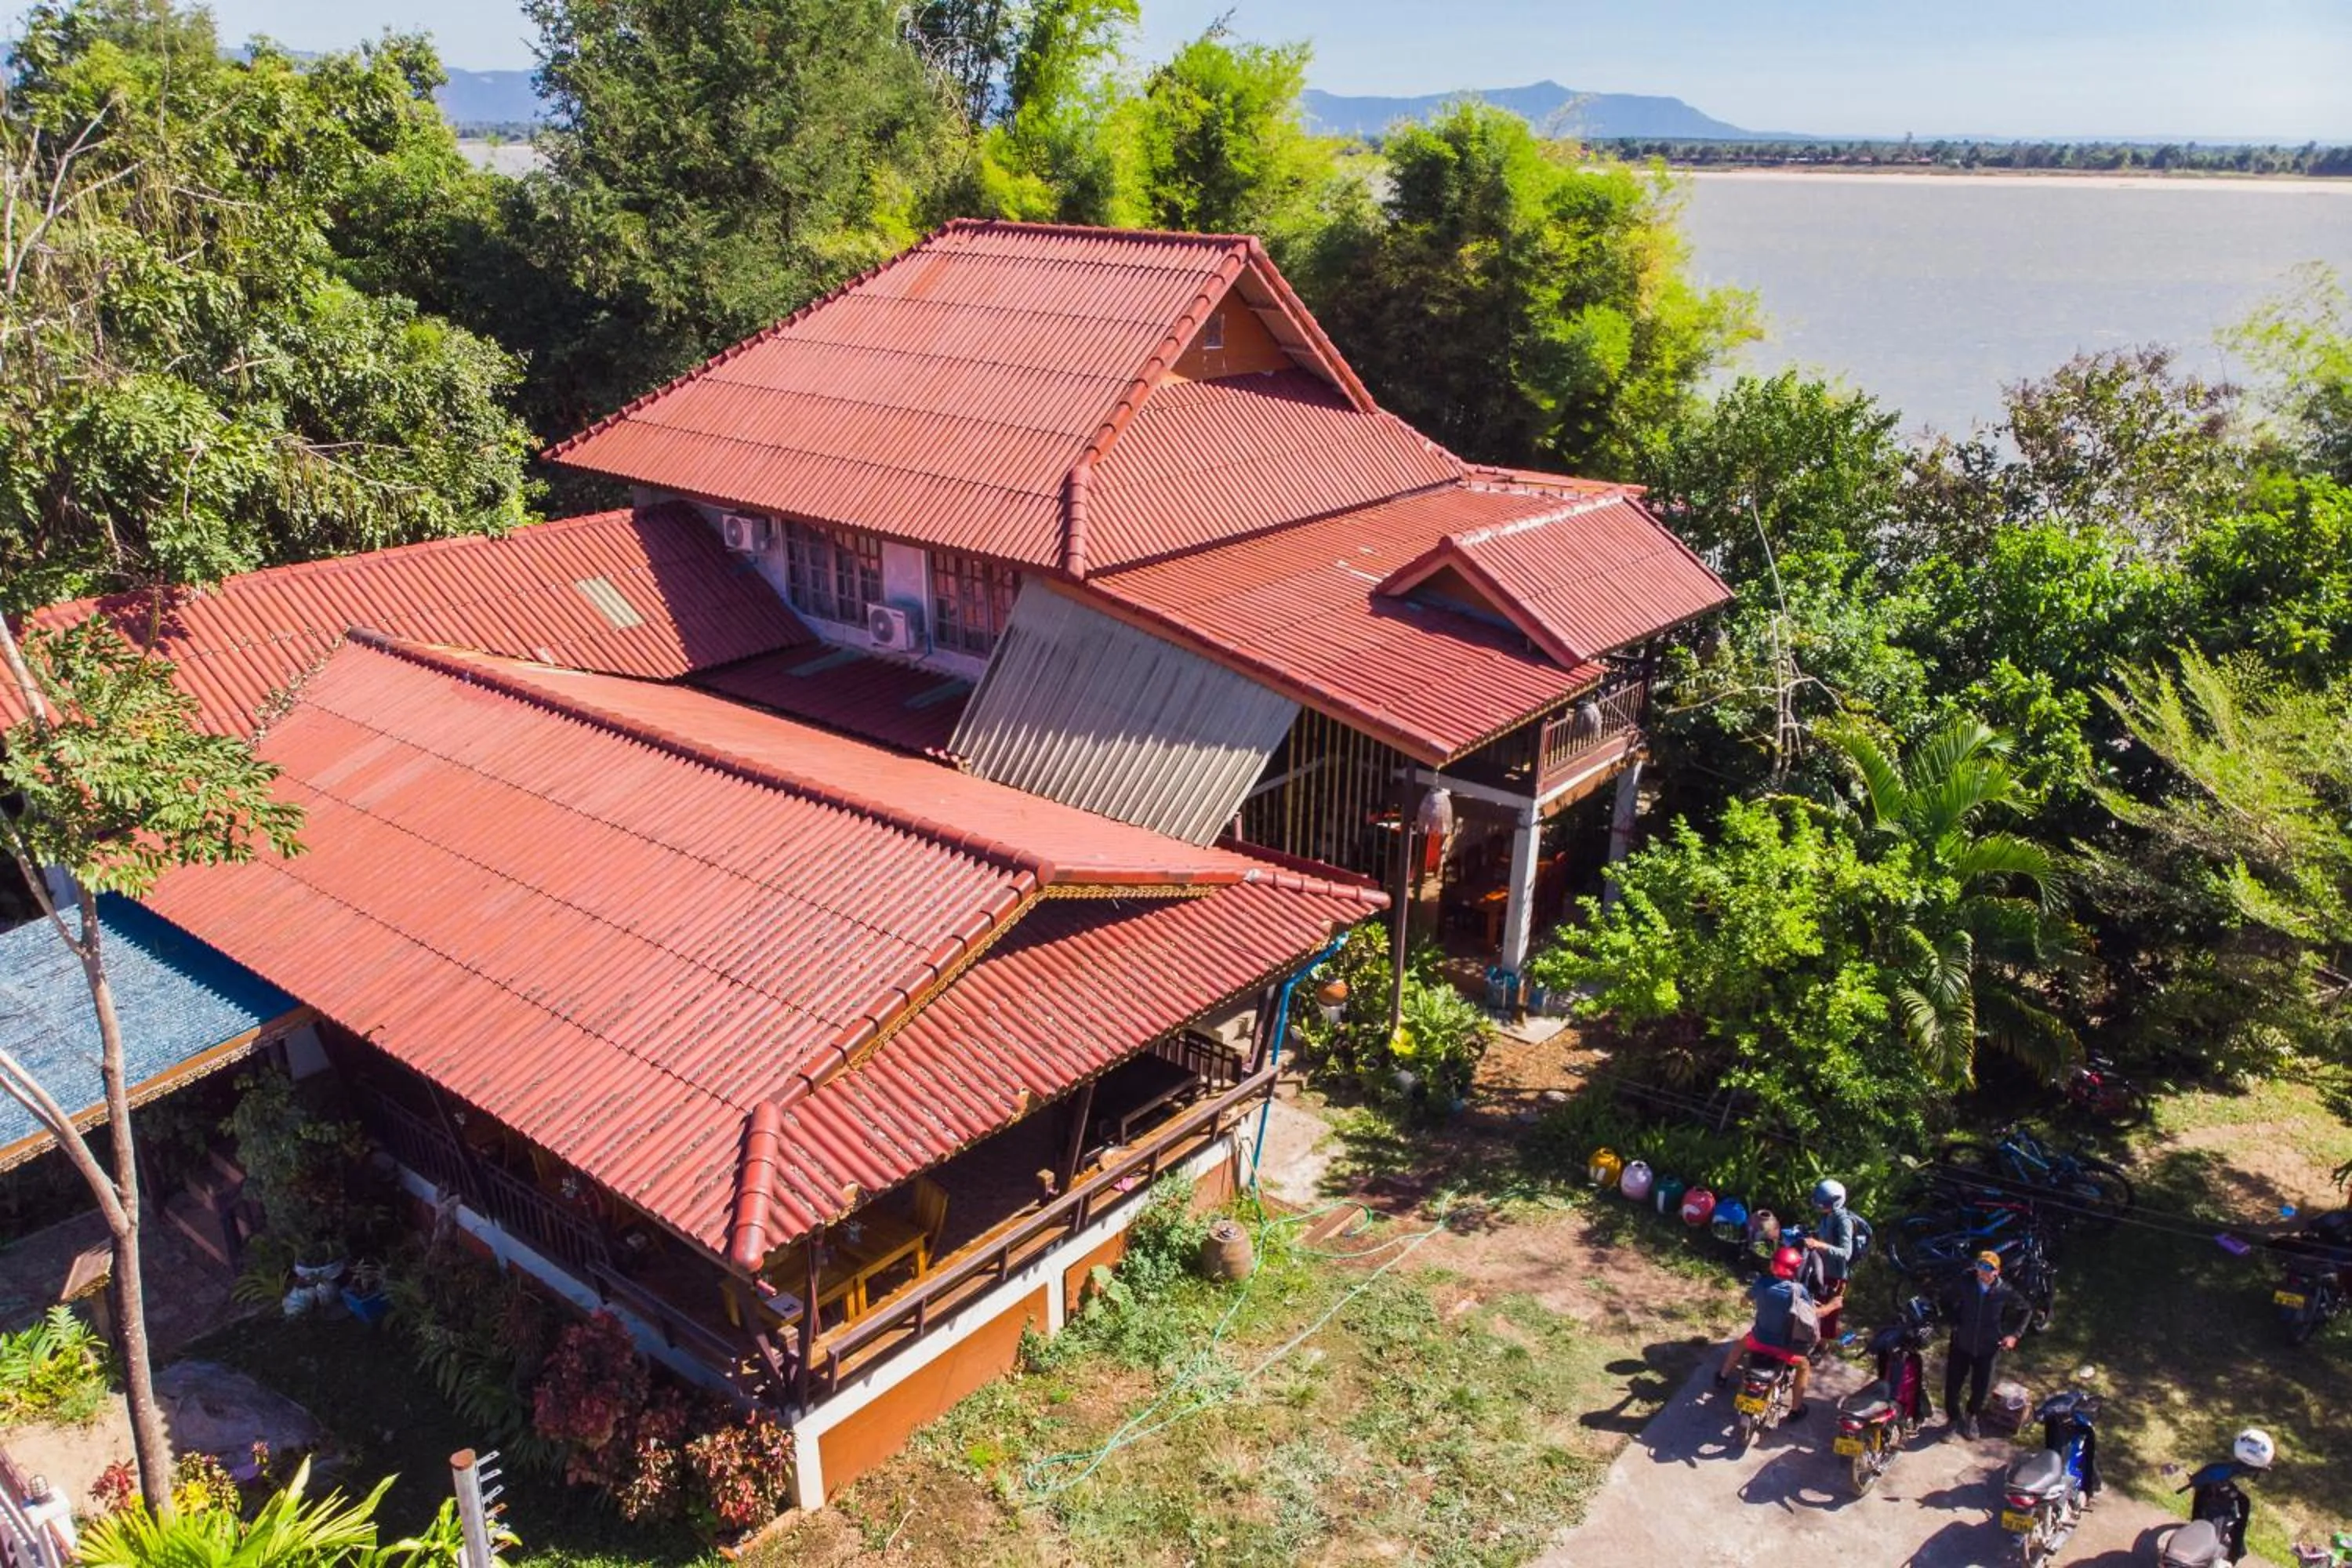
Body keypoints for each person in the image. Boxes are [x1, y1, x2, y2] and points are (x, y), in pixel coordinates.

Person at [1716, 1244, 1815, 1419]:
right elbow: (1811, 1311)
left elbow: (1745, 1301)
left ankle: (1722, 1376)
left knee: (1740, 1346)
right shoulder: (1799, 1291)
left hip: (1758, 1340)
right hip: (1785, 1349)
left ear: (1772, 1265)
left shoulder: (1762, 1283)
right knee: (1805, 1366)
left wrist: (1747, 1303)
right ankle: (1796, 1409)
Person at [1941, 1250, 2029, 1439]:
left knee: (1981, 1387)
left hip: (1988, 1348)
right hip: (1961, 1343)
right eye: (1980, 1266)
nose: (1983, 1271)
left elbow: (2025, 1310)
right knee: (1953, 1385)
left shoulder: (2004, 1291)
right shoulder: (1965, 1284)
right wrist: (1954, 1322)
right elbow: (1944, 1299)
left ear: (1996, 1271)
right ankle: (1953, 1419)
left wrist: (2014, 1335)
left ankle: (1971, 1416)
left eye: (1988, 1268)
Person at [1802, 1178, 1855, 1349]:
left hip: (1836, 1275)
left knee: (1830, 1312)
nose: (1819, 1205)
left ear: (1835, 1202)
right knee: (1815, 1303)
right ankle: (1812, 1337)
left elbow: (1846, 1253)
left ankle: (1822, 1346)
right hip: (1822, 1269)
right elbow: (1825, 1235)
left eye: (1822, 1202)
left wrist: (1819, 1245)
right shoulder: (1827, 1215)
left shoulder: (1844, 1221)